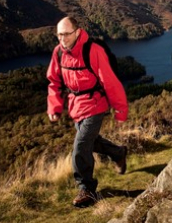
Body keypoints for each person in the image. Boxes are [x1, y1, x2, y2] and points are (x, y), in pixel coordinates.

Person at [46, 16, 129, 208]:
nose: (63, 39)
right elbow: (55, 81)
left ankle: (87, 189)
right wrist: (54, 106)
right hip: (75, 105)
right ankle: (118, 153)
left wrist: (120, 109)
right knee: (92, 142)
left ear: (77, 32)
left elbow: (110, 81)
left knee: (81, 146)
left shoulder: (93, 51)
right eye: (59, 35)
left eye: (66, 34)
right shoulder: (58, 53)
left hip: (95, 103)